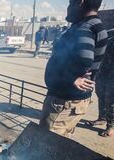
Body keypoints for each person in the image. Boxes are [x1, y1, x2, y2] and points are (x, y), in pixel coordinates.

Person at [39, 0, 108, 137]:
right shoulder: (95, 25)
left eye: (70, 3)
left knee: (45, 143)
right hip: (73, 100)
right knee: (60, 144)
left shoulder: (84, 28)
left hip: (64, 101)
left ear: (80, 2)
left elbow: (85, 59)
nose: (68, 8)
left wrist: (72, 77)